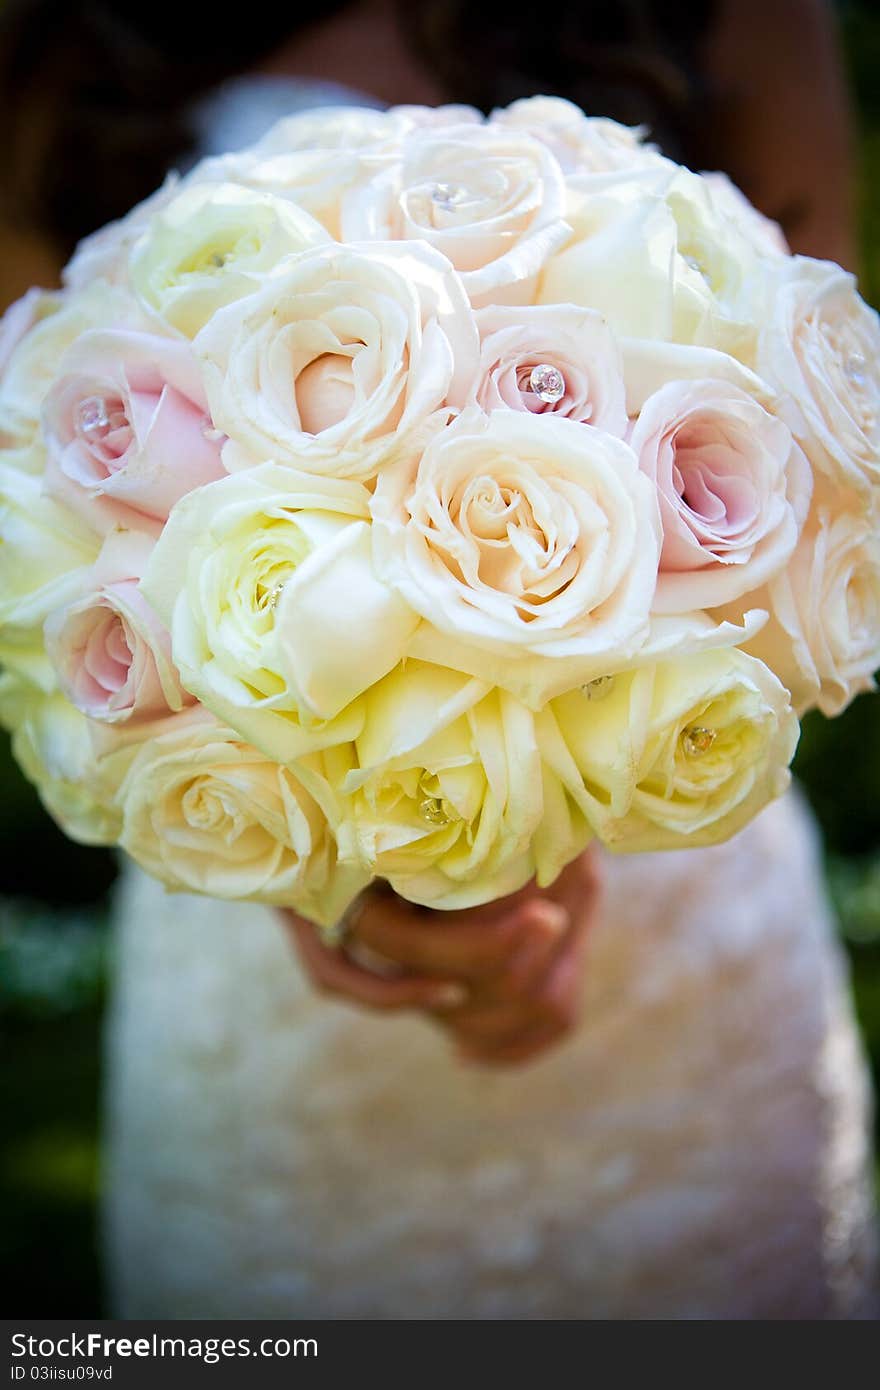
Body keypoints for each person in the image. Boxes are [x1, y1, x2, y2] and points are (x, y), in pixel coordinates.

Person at [2, 0, 877, 1317]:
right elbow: (34, 454)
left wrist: (567, 783)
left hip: (682, 874)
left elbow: (821, 451)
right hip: (246, 898)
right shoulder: (68, 31)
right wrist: (317, 844)